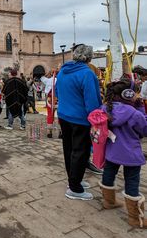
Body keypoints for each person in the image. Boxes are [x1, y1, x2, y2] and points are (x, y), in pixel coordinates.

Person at [56, 44, 102, 201]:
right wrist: (97, 118)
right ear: (89, 58)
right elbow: (92, 101)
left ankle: (73, 180)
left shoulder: (63, 71)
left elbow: (57, 92)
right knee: (80, 152)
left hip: (64, 115)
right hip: (80, 118)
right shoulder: (87, 74)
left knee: (69, 149)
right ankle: (75, 187)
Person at [99, 79, 147, 227]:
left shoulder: (105, 108)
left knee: (108, 173)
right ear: (128, 94)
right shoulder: (134, 113)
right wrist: (140, 108)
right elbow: (145, 130)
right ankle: (134, 218)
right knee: (132, 181)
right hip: (130, 153)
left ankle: (108, 201)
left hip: (111, 151)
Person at [41, 71, 58, 138]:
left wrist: (47, 73)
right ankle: (60, 132)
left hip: (50, 100)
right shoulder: (59, 79)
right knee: (60, 116)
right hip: (58, 99)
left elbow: (42, 78)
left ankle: (49, 132)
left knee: (50, 115)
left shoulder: (47, 80)